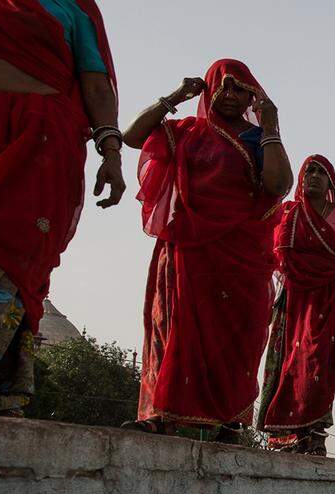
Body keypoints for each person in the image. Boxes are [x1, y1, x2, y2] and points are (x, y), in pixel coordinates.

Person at [123, 60, 293, 440]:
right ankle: (163, 413)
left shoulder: (256, 138)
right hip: (188, 248)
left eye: (239, 89)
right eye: (223, 87)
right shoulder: (186, 132)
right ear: (208, 91)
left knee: (236, 338)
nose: (230, 95)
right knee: (176, 330)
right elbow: (132, 136)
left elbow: (279, 184)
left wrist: (271, 128)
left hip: (241, 254)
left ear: (253, 96)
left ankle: (227, 419)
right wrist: (174, 97)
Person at [0, 0, 122, 416]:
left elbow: (96, 85)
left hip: (39, 139)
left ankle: (2, 387)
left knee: (13, 256)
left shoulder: (73, 9)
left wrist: (112, 154)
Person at [255, 155, 335, 454]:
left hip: (330, 297)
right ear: (301, 178)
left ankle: (316, 432)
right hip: (294, 299)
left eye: (322, 172)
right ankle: (294, 435)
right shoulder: (289, 213)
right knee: (291, 363)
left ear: (331, 182)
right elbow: (272, 259)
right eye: (310, 171)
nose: (315, 177)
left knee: (320, 361)